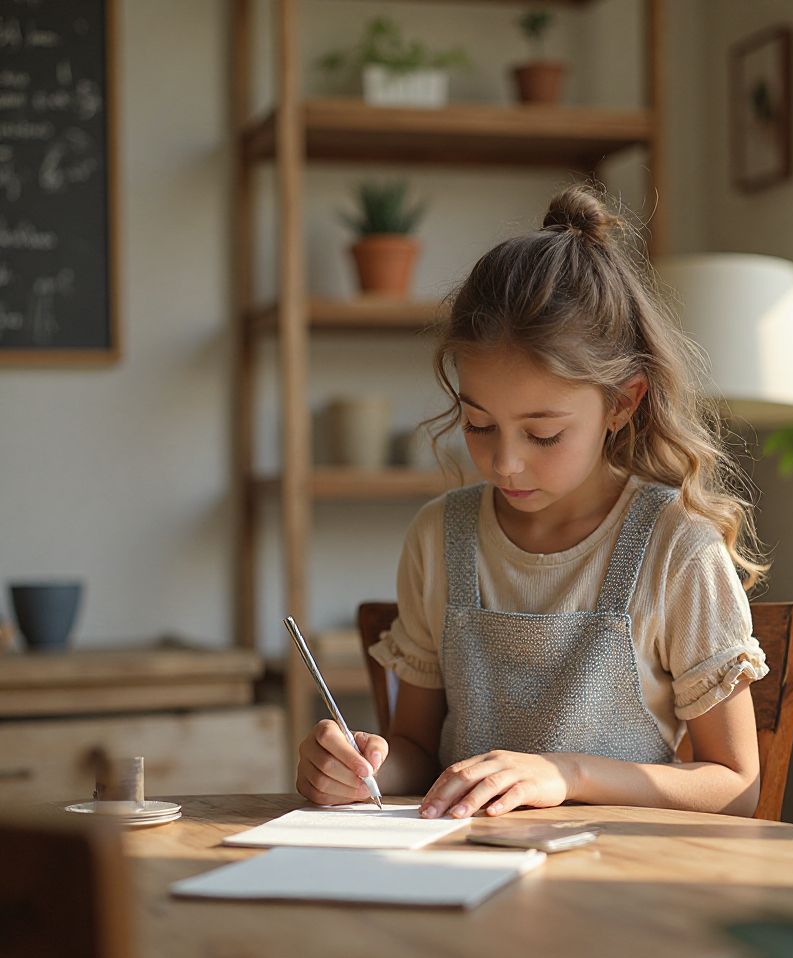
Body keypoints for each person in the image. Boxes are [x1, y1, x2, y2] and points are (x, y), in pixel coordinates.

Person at [296, 183, 769, 820]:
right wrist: (362, 767)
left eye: (543, 433)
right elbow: (416, 749)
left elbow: (736, 785)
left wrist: (565, 773)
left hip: (621, 884)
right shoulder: (439, 537)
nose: (505, 462)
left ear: (622, 403)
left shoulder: (677, 549)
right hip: (463, 880)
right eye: (479, 425)